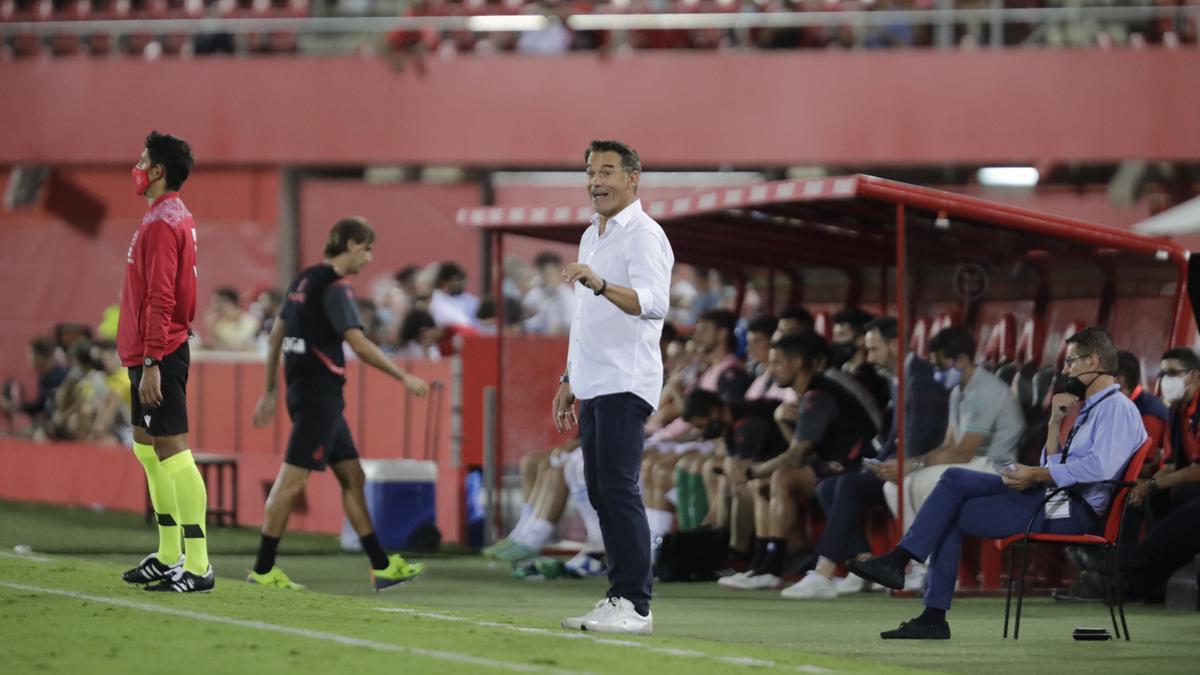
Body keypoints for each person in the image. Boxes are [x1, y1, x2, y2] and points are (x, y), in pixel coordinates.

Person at [849, 327, 1147, 639]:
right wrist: (1054, 424)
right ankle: (921, 598)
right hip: (1054, 495)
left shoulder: (1117, 408)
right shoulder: (1089, 408)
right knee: (952, 481)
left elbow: (1101, 467)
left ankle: (914, 586)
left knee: (946, 512)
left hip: (1072, 511)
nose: (1066, 369)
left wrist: (1036, 475)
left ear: (1094, 360)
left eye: (1071, 361)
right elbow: (1054, 465)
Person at [249, 217, 430, 592]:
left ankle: (381, 566)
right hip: (320, 398)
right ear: (349, 244)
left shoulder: (303, 279)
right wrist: (403, 377)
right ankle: (263, 569)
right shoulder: (336, 288)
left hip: (306, 392)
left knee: (353, 476)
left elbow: (274, 339)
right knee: (291, 480)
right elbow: (360, 345)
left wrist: (269, 390)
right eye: (366, 248)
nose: (369, 256)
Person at [553, 139, 673, 635]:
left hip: (626, 379)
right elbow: (584, 318)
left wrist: (599, 282)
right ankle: (617, 595)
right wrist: (568, 378)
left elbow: (654, 302)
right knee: (601, 490)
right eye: (589, 172)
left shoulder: (645, 235)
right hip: (594, 379)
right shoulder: (591, 235)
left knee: (619, 489)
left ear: (633, 178)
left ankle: (637, 605)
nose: (596, 182)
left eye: (606, 171)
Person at [782, 315, 948, 599]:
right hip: (896, 461)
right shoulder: (901, 376)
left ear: (895, 344)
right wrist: (874, 463)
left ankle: (824, 571)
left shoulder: (919, 378)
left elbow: (920, 434)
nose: (869, 357)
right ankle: (862, 567)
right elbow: (895, 433)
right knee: (828, 485)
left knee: (847, 485)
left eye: (874, 349)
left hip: (920, 464)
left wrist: (896, 464)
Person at [117, 131, 213, 593]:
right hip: (149, 349)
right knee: (146, 446)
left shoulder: (160, 222)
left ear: (157, 170)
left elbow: (161, 295)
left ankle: (198, 564)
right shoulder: (171, 216)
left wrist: (153, 359)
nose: (136, 167)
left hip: (161, 350)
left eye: (142, 160)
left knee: (174, 452)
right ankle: (169, 552)